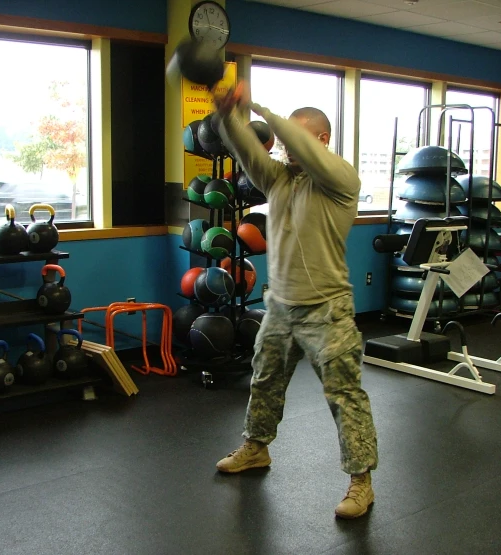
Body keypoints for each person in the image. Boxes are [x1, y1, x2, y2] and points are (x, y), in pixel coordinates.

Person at [213, 82, 378, 520]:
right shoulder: (279, 180)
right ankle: (256, 448)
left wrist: (261, 106)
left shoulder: (341, 179)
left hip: (327, 310)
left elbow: (295, 140)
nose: (283, 148)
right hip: (280, 307)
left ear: (320, 140)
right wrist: (229, 110)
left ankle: (361, 481)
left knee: (345, 395)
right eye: (282, 142)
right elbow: (246, 149)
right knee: (264, 380)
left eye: (291, 140)